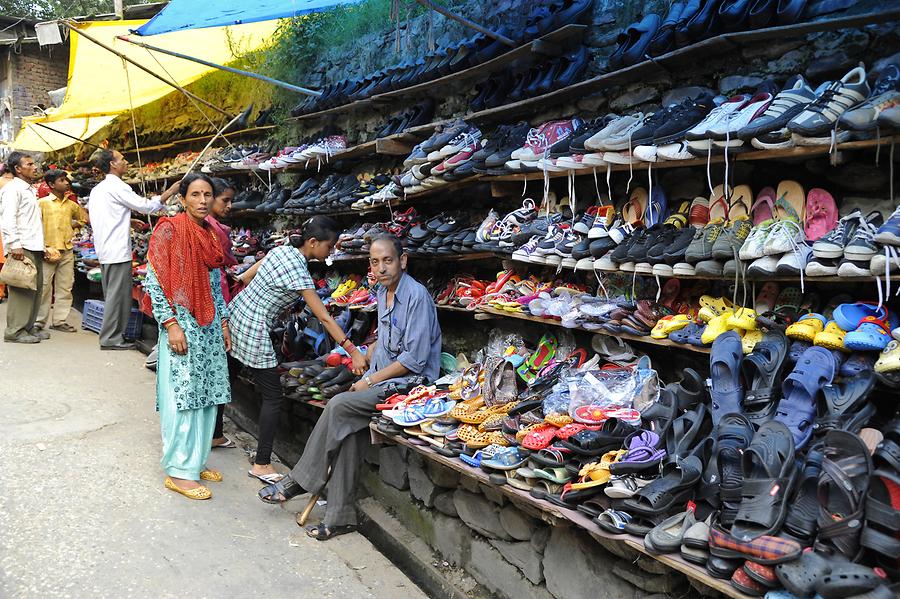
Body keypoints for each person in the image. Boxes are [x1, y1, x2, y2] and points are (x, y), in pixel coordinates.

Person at [258, 235, 442, 541]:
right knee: (351, 430)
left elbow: (414, 361)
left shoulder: (416, 297)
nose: (381, 268)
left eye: (388, 260)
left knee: (340, 404)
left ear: (403, 261)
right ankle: (341, 517)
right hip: (383, 378)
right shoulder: (383, 293)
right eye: (374, 261)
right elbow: (386, 344)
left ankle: (301, 479)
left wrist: (369, 380)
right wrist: (366, 356)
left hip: (410, 387)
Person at [228, 216, 368, 485]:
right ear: (313, 242)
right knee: (273, 395)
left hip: (238, 313)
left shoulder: (282, 249)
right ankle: (262, 464)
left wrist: (246, 279)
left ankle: (214, 436)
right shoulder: (299, 272)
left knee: (230, 373)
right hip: (253, 326)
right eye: (329, 246)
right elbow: (325, 317)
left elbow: (255, 267)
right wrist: (353, 350)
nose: (331, 252)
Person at [142, 173, 230, 500]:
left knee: (206, 396)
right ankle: (179, 470)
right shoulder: (169, 229)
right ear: (183, 199)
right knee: (184, 397)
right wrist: (170, 324)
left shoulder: (210, 235)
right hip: (182, 323)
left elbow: (214, 286)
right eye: (195, 194)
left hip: (207, 325)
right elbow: (154, 281)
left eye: (207, 194)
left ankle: (195, 459)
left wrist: (223, 323)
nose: (203, 200)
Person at [87, 149, 179, 351]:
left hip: (106, 249)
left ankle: (112, 336)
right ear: (112, 164)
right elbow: (146, 206)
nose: (126, 162)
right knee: (117, 297)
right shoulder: (117, 187)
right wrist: (170, 192)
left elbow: (105, 216)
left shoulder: (99, 189)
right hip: (116, 250)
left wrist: (127, 220)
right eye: (122, 159)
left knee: (113, 294)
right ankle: (111, 338)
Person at [207, 177, 239, 450]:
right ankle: (214, 432)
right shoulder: (215, 230)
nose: (229, 205)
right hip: (217, 306)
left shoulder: (211, 228)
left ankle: (212, 430)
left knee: (215, 370)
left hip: (214, 304)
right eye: (224, 200)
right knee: (219, 371)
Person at [0, 152, 46, 343]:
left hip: (34, 244)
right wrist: (14, 244)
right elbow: (8, 218)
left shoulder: (28, 189)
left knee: (35, 288)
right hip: (23, 245)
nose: (34, 167)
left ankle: (27, 327)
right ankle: (14, 331)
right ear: (18, 169)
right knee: (22, 289)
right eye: (29, 164)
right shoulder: (12, 189)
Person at [35, 170, 88, 333]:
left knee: (65, 287)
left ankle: (59, 321)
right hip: (48, 250)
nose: (66, 183)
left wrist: (71, 226)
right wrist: (42, 246)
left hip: (66, 250)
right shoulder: (42, 203)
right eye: (62, 180)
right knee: (44, 288)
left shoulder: (72, 204)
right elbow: (35, 225)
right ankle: (39, 322)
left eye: (66, 180)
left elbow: (83, 218)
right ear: (51, 185)